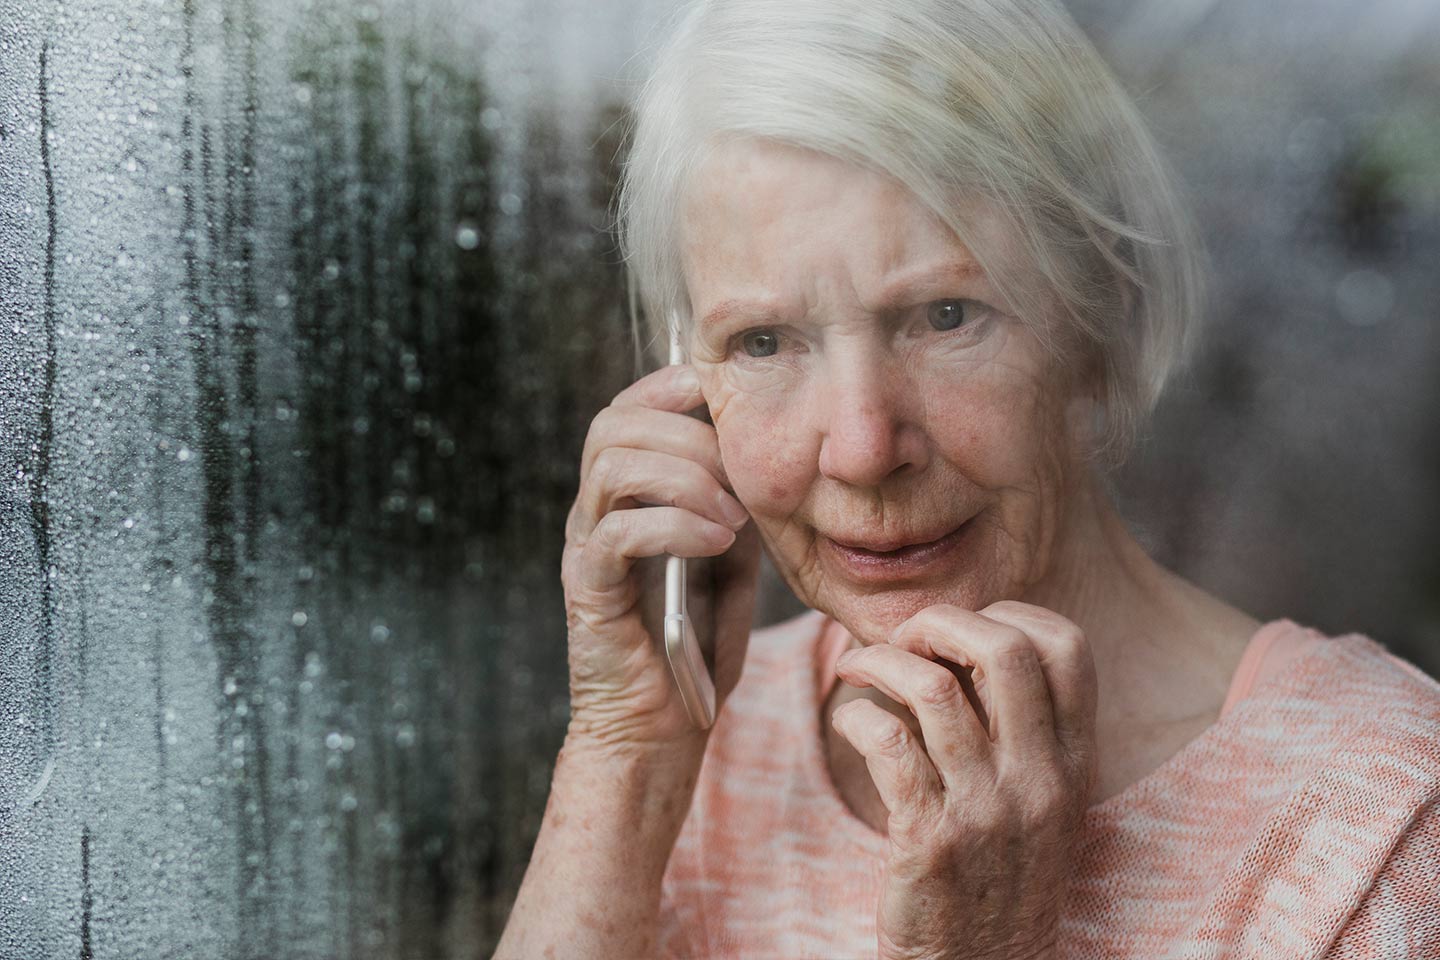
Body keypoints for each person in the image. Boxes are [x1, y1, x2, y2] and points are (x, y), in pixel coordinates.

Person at [496, 0, 1440, 956]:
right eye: (764, 342)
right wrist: (624, 759)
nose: (863, 449)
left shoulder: (1381, 828)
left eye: (946, 317)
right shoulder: (694, 735)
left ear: (1100, 317)